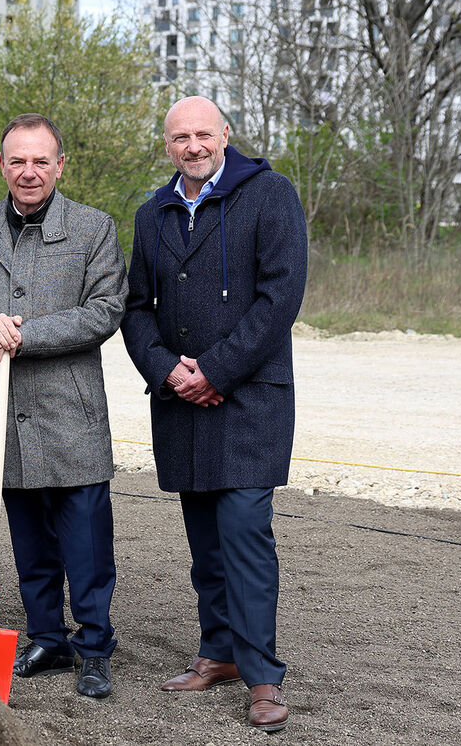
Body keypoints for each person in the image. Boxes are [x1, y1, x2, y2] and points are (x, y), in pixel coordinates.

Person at [120, 96, 308, 732]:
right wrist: (170, 371)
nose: (192, 145)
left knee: (245, 537)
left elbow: (280, 297)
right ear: (167, 145)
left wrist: (217, 370)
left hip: (250, 400)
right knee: (205, 544)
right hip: (181, 403)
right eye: (180, 137)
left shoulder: (271, 194)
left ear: (225, 134)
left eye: (203, 133)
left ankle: (261, 678)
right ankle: (219, 653)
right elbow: (136, 309)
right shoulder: (153, 214)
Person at [0, 113, 126, 700]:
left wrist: (24, 334)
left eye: (41, 160)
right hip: (6, 415)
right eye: (17, 160)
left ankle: (94, 647)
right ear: (2, 165)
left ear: (60, 165)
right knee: (28, 542)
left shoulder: (93, 229)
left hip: (72, 416)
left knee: (86, 545)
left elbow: (105, 309)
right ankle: (47, 635)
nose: (29, 171)